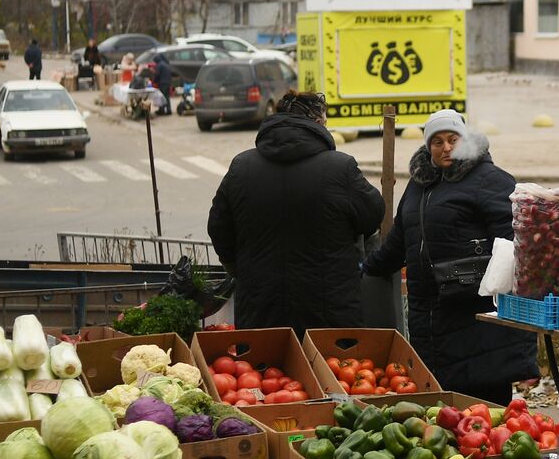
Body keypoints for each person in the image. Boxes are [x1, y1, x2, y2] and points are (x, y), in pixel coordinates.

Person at [363, 109, 538, 404]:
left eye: (453, 139)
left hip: (477, 318)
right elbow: (400, 241)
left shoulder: (489, 180)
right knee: (444, 411)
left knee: (485, 410)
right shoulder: (419, 186)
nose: (446, 147)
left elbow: (516, 245)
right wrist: (365, 267)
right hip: (430, 318)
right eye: (437, 141)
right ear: (428, 146)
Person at [208, 90, 383, 335]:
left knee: (265, 371)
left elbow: (218, 228)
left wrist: (241, 269)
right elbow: (373, 215)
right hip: (329, 310)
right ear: (319, 123)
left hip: (261, 308)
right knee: (330, 372)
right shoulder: (340, 167)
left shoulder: (242, 167)